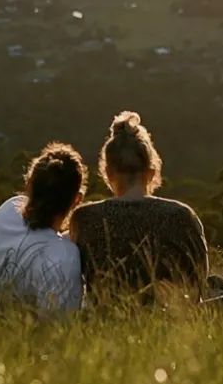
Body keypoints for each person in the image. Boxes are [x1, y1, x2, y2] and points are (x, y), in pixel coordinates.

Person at [69, 112, 210, 303]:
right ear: (151, 172)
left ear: (108, 173)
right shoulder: (181, 216)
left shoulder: (85, 218)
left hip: (106, 324)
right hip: (173, 326)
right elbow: (198, 284)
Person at [0, 142, 88, 313]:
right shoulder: (65, 258)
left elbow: (40, 236)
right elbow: (60, 327)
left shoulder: (5, 214)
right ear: (77, 199)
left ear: (29, 185)